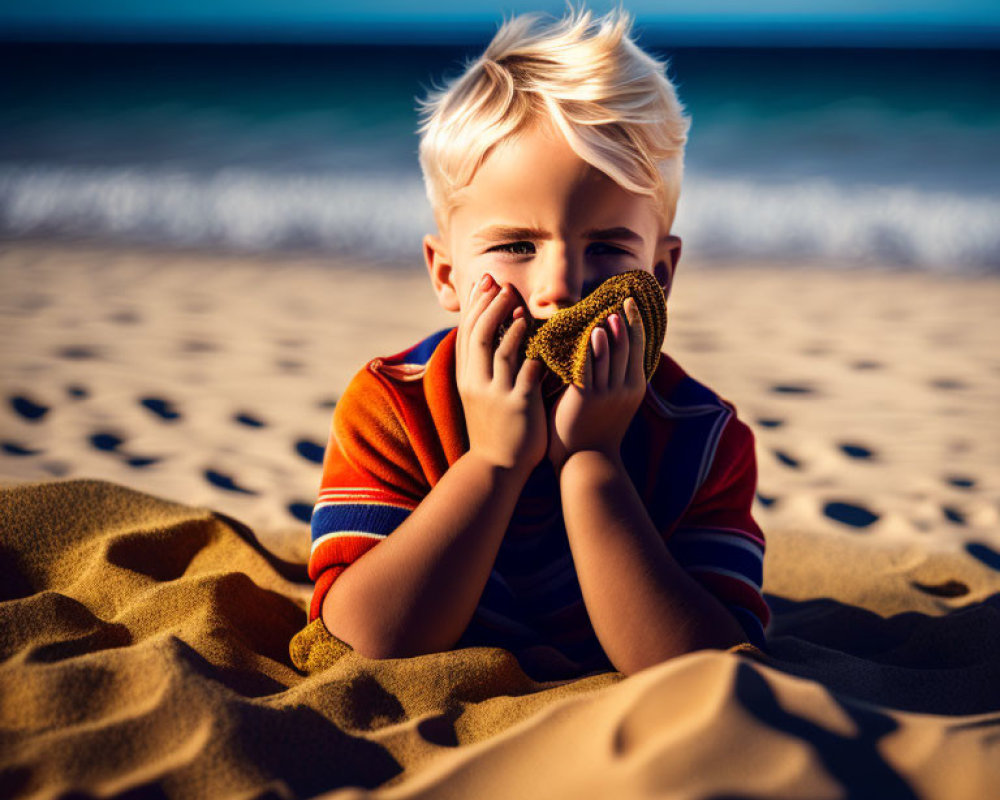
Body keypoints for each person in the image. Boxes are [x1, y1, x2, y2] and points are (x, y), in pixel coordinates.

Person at [305, 6, 770, 680]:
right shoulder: (393, 406)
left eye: (608, 246)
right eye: (516, 245)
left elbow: (714, 668)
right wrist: (493, 461)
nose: (562, 287)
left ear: (660, 274)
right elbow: (363, 640)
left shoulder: (702, 439)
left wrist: (592, 461)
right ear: (447, 274)